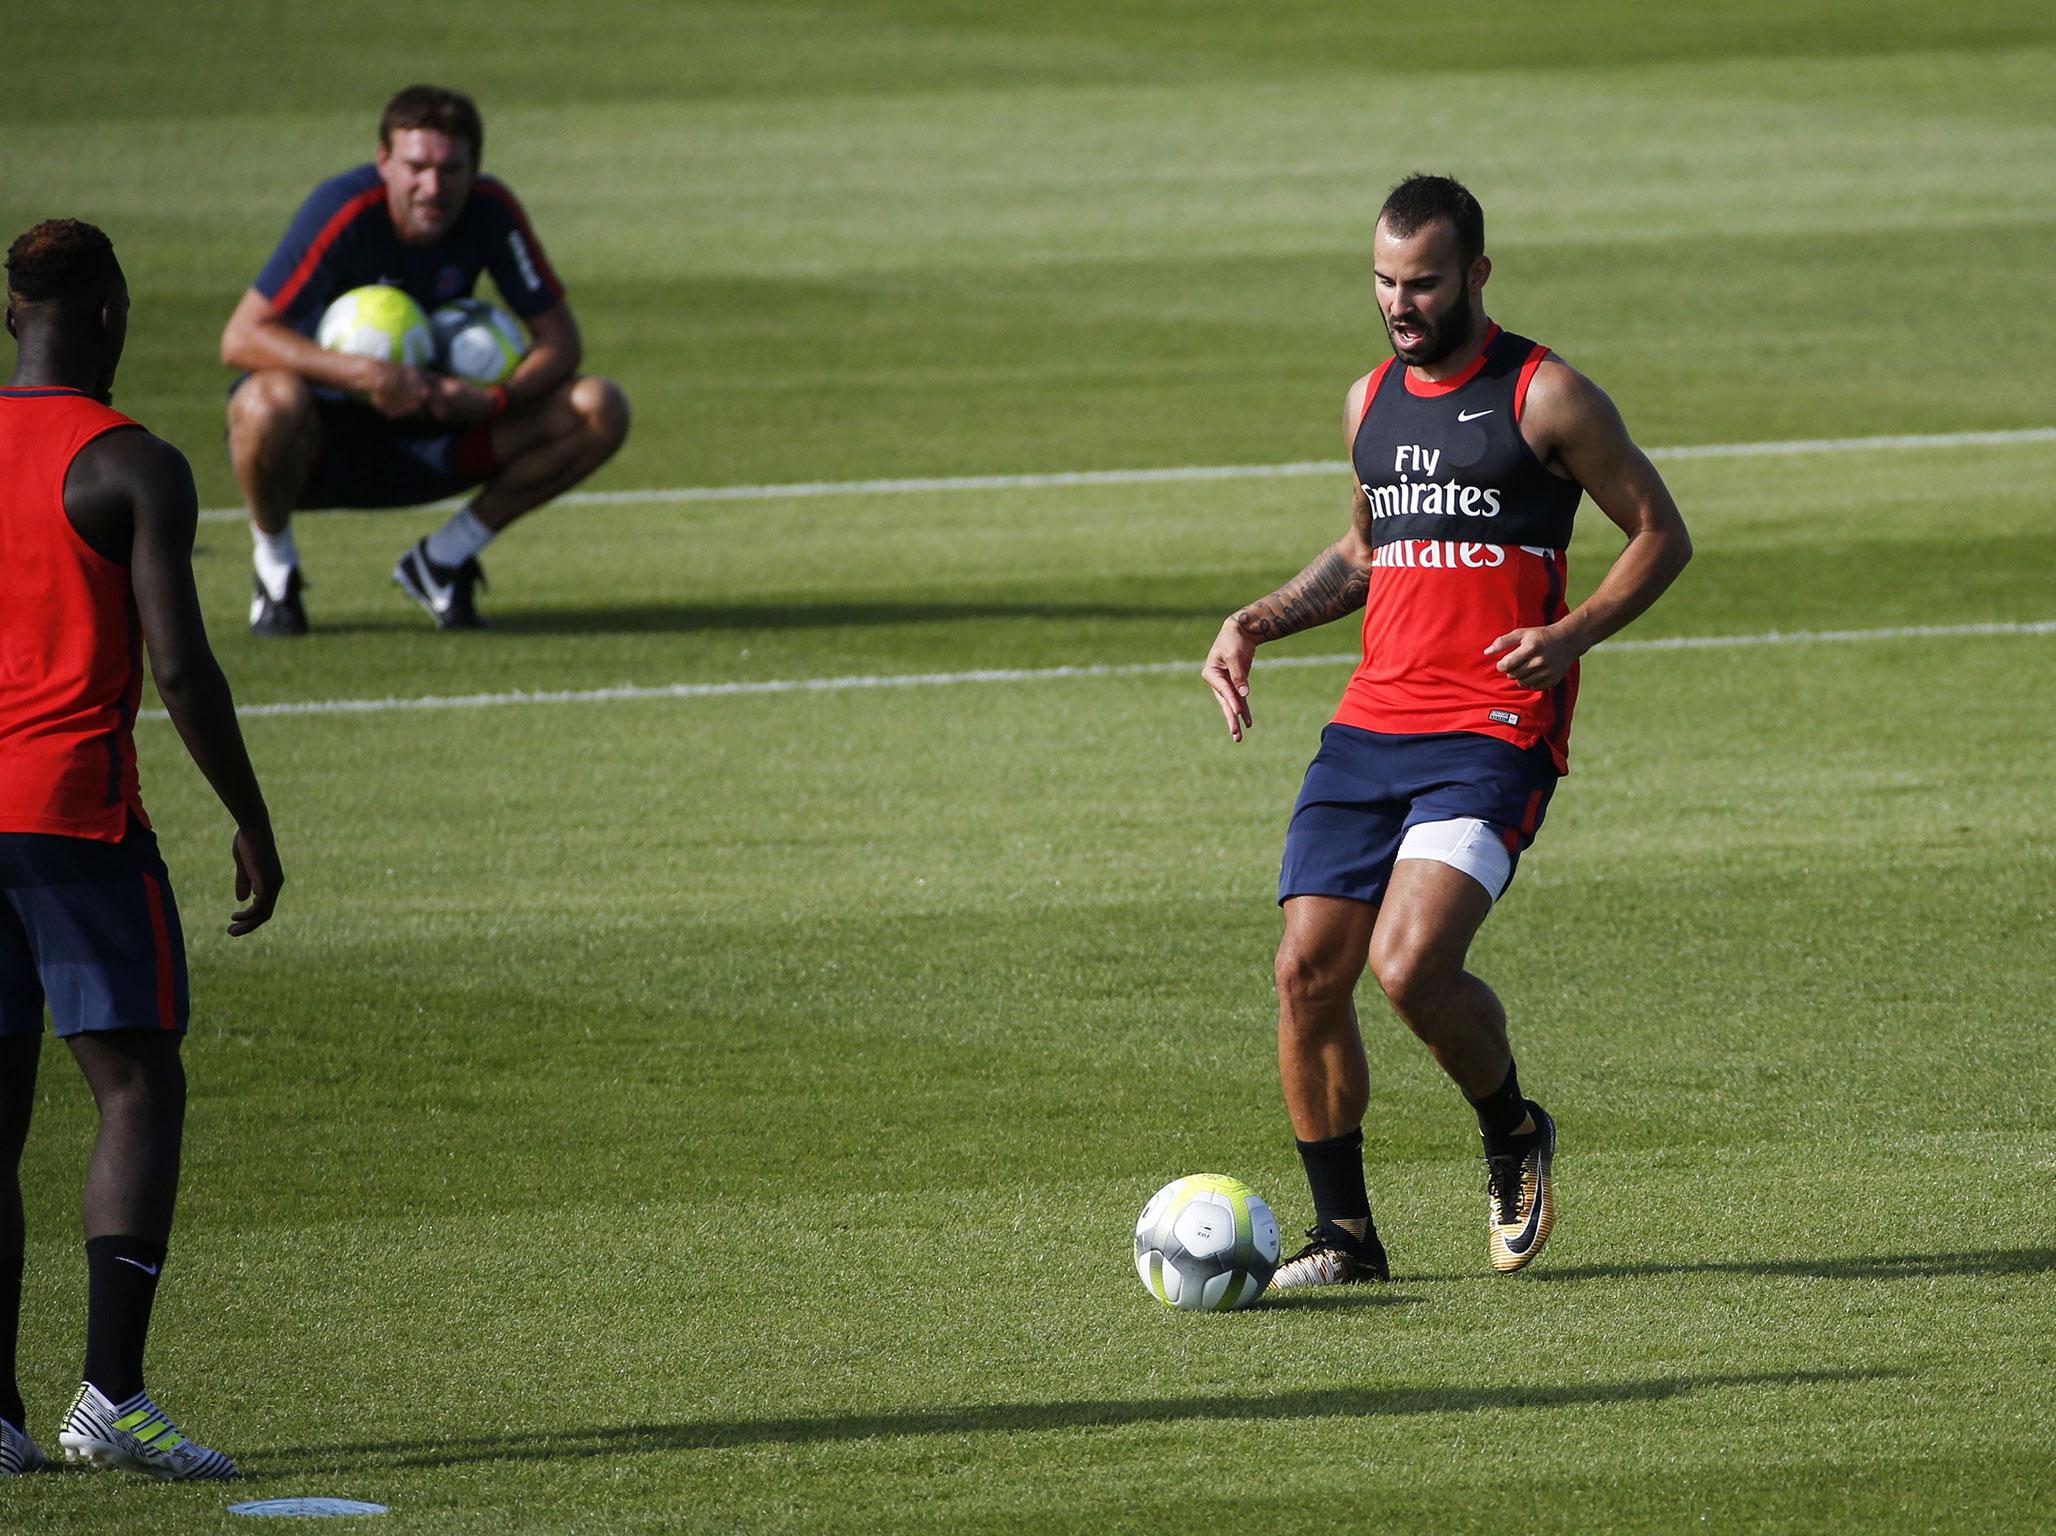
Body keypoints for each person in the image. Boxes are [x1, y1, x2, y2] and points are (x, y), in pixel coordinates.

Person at [1200, 174, 1692, 1287]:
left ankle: (1511, 1131)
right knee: (1304, 974)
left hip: (1491, 732)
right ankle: (1348, 1240)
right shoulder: (1368, 400)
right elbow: (1369, 552)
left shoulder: (1545, 396)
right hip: (1368, 730)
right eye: (1381, 281)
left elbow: (1661, 535)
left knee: (1411, 964)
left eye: (1421, 283)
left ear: (1476, 273)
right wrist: (1251, 622)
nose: (1398, 303)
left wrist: (1570, 635)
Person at [1, 219, 283, 1480]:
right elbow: (180, 666)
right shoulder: (129, 465)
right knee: (134, 1087)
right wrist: (251, 816)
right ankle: (110, 1396)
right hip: (74, 821)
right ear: (111, 314)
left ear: (14, 315)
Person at [220, 84, 630, 634]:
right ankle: (276, 573)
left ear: (474, 168)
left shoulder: (490, 211)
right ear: (384, 162)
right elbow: (242, 337)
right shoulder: (344, 209)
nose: (432, 187)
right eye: (416, 166)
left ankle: (442, 561)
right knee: (265, 402)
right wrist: (368, 376)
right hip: (323, 445)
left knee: (597, 407)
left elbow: (560, 339)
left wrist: (491, 400)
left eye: (451, 169)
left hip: (440, 430)